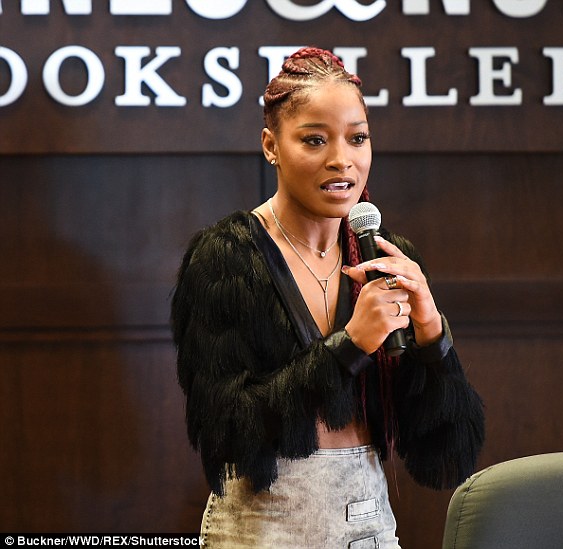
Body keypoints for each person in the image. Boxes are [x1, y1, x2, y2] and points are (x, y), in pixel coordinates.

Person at [171, 47, 484, 548]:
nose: (342, 160)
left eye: (357, 138)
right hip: (262, 526)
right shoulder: (226, 258)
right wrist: (348, 347)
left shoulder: (385, 254)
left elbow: (444, 454)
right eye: (314, 140)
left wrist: (432, 338)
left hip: (368, 522)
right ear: (271, 145)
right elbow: (226, 433)